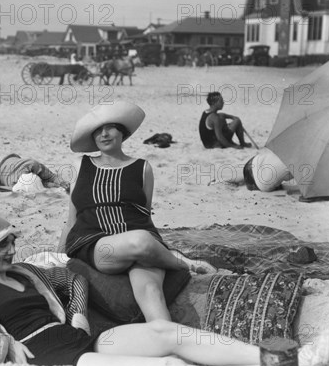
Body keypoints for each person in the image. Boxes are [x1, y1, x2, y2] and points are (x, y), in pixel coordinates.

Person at [0, 213, 329, 366]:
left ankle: (280, 359)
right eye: (2, 246)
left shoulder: (25, 271)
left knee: (170, 334)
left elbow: (72, 280)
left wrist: (78, 313)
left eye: (12, 241)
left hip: (82, 337)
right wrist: (0, 344)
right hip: (59, 357)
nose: (12, 250)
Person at [58, 101, 217, 323]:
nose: (104, 134)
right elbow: (71, 218)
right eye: (97, 131)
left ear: (122, 132)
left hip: (140, 238)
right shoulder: (80, 165)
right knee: (141, 241)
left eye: (110, 128)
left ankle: (169, 346)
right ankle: (182, 263)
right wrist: (57, 255)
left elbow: (144, 216)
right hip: (98, 243)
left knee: (152, 294)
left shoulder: (142, 167)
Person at [209, 148, 294, 192]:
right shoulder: (303, 161)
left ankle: (223, 180)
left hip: (252, 163)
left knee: (260, 171)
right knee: (263, 177)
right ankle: (226, 181)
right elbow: (305, 195)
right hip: (259, 184)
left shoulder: (291, 143)